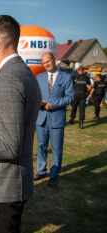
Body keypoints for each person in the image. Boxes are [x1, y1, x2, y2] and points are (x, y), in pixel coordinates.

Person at [0, 15, 42, 233]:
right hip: (11, 182)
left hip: (3, 185)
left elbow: (8, 145)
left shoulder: (8, 78)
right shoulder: (22, 71)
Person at [34, 53, 75, 187]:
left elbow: (70, 97)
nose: (46, 64)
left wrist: (54, 104)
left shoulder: (67, 77)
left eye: (48, 61)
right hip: (41, 118)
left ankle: (54, 174)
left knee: (56, 148)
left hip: (57, 118)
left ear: (54, 60)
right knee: (41, 146)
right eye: (44, 62)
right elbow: (36, 94)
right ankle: (41, 171)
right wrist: (38, 101)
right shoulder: (39, 77)